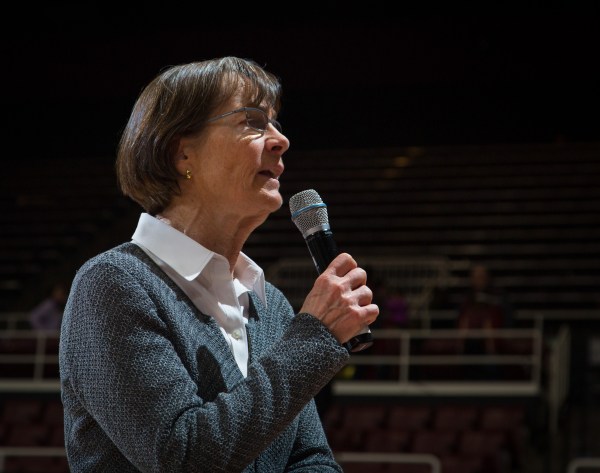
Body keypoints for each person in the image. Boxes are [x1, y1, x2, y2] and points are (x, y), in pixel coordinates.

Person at [59, 56, 379, 472]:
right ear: (182, 153)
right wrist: (314, 337)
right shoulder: (113, 284)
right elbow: (183, 458)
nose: (280, 140)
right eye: (252, 121)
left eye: (276, 123)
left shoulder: (271, 305)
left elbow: (309, 458)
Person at [456, 263, 513, 379]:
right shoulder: (467, 299)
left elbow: (508, 319)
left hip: (493, 345)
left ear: (488, 278)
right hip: (470, 345)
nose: (478, 280)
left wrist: (494, 334)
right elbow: (460, 321)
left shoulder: (498, 296)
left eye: (481, 276)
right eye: (475, 277)